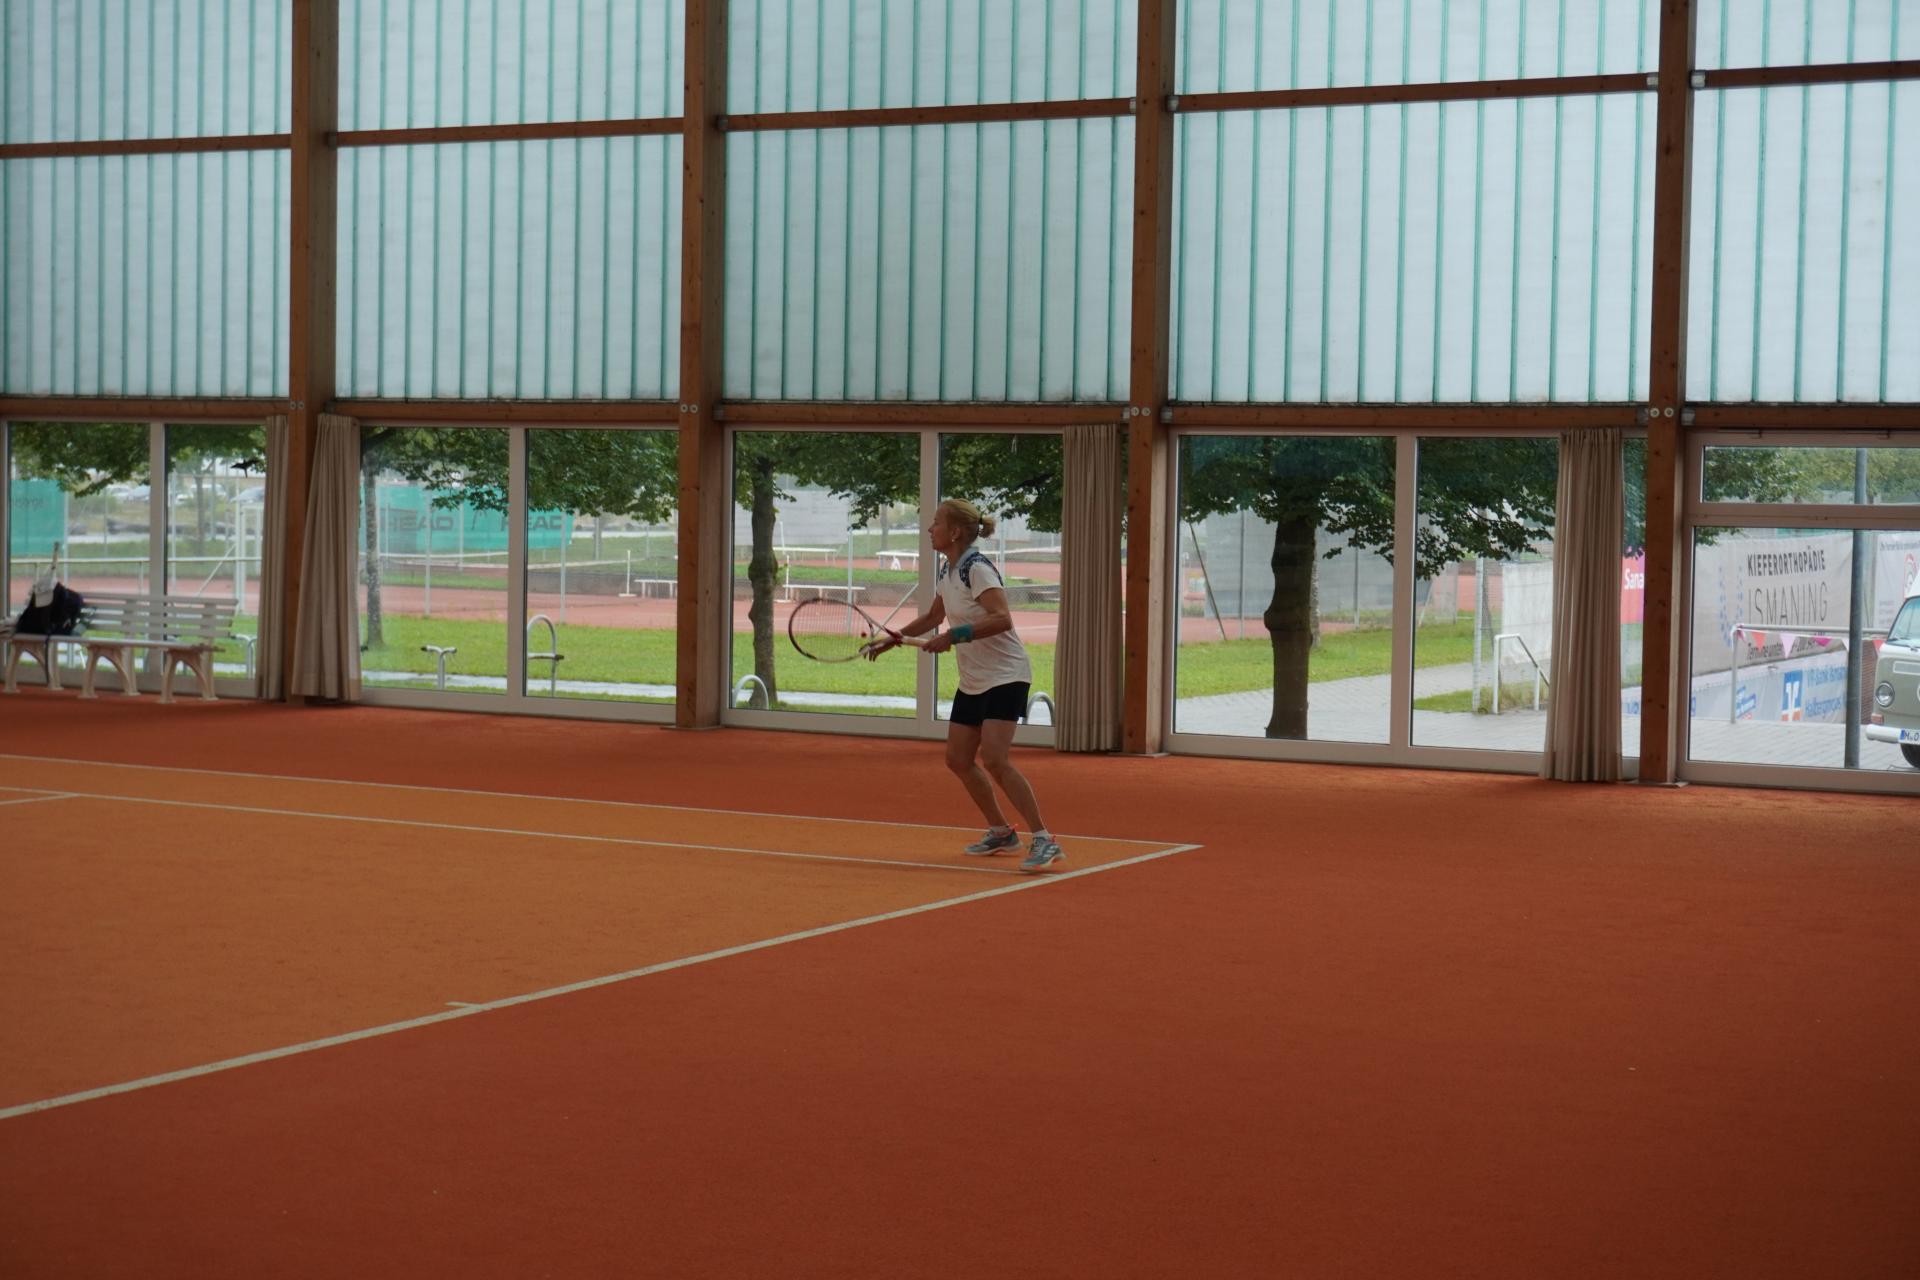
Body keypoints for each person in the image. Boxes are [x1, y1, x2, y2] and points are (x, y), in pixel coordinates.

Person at [869, 498, 1063, 872]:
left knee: (994, 759)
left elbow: (1002, 618)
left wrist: (954, 636)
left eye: (936, 523)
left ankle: (1043, 838)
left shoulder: (978, 569)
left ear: (955, 531)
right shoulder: (948, 570)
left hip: (1006, 676)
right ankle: (1001, 832)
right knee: (958, 759)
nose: (929, 529)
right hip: (974, 680)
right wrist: (895, 639)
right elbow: (934, 616)